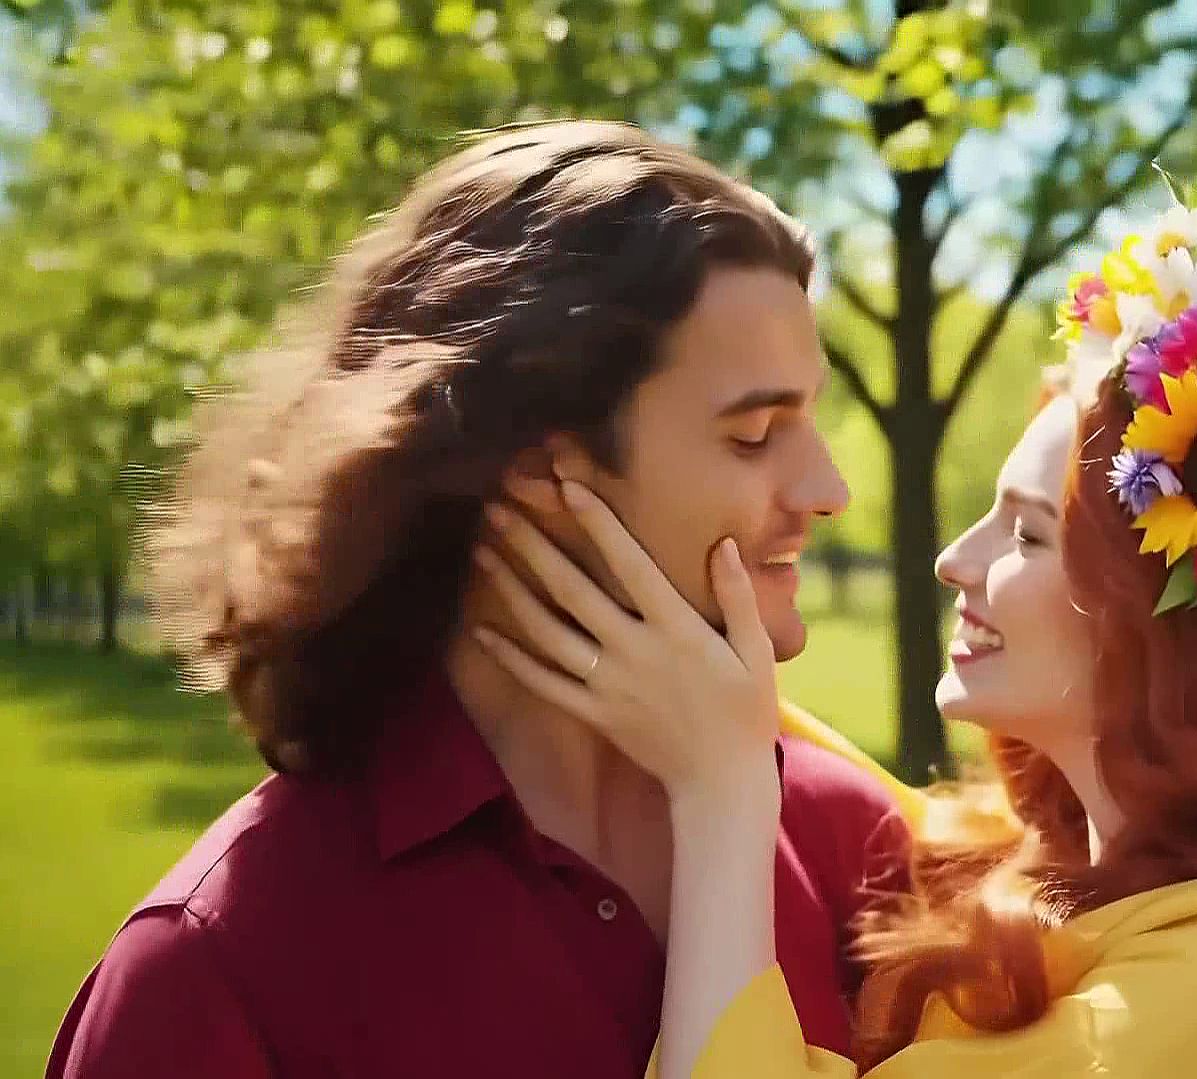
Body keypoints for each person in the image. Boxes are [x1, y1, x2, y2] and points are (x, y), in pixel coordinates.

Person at [481, 194, 1197, 1078]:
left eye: (1029, 531)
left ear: (1166, 627)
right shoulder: (1148, 878)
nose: (955, 558)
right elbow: (880, 797)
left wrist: (721, 799)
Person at [48, 120, 911, 1078]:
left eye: (810, 418)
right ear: (535, 467)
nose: (828, 488)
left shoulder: (861, 850)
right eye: (754, 434)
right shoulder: (215, 966)